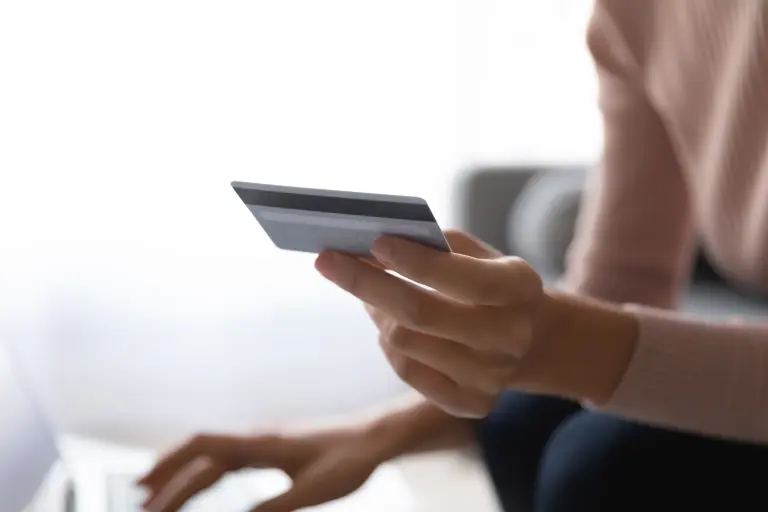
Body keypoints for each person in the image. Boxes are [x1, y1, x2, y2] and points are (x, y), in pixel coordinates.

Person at [139, 1, 768, 511]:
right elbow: (619, 289)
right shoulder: (636, 13)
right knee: (519, 421)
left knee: (607, 466)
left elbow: (591, 336)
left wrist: (562, 341)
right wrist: (375, 436)